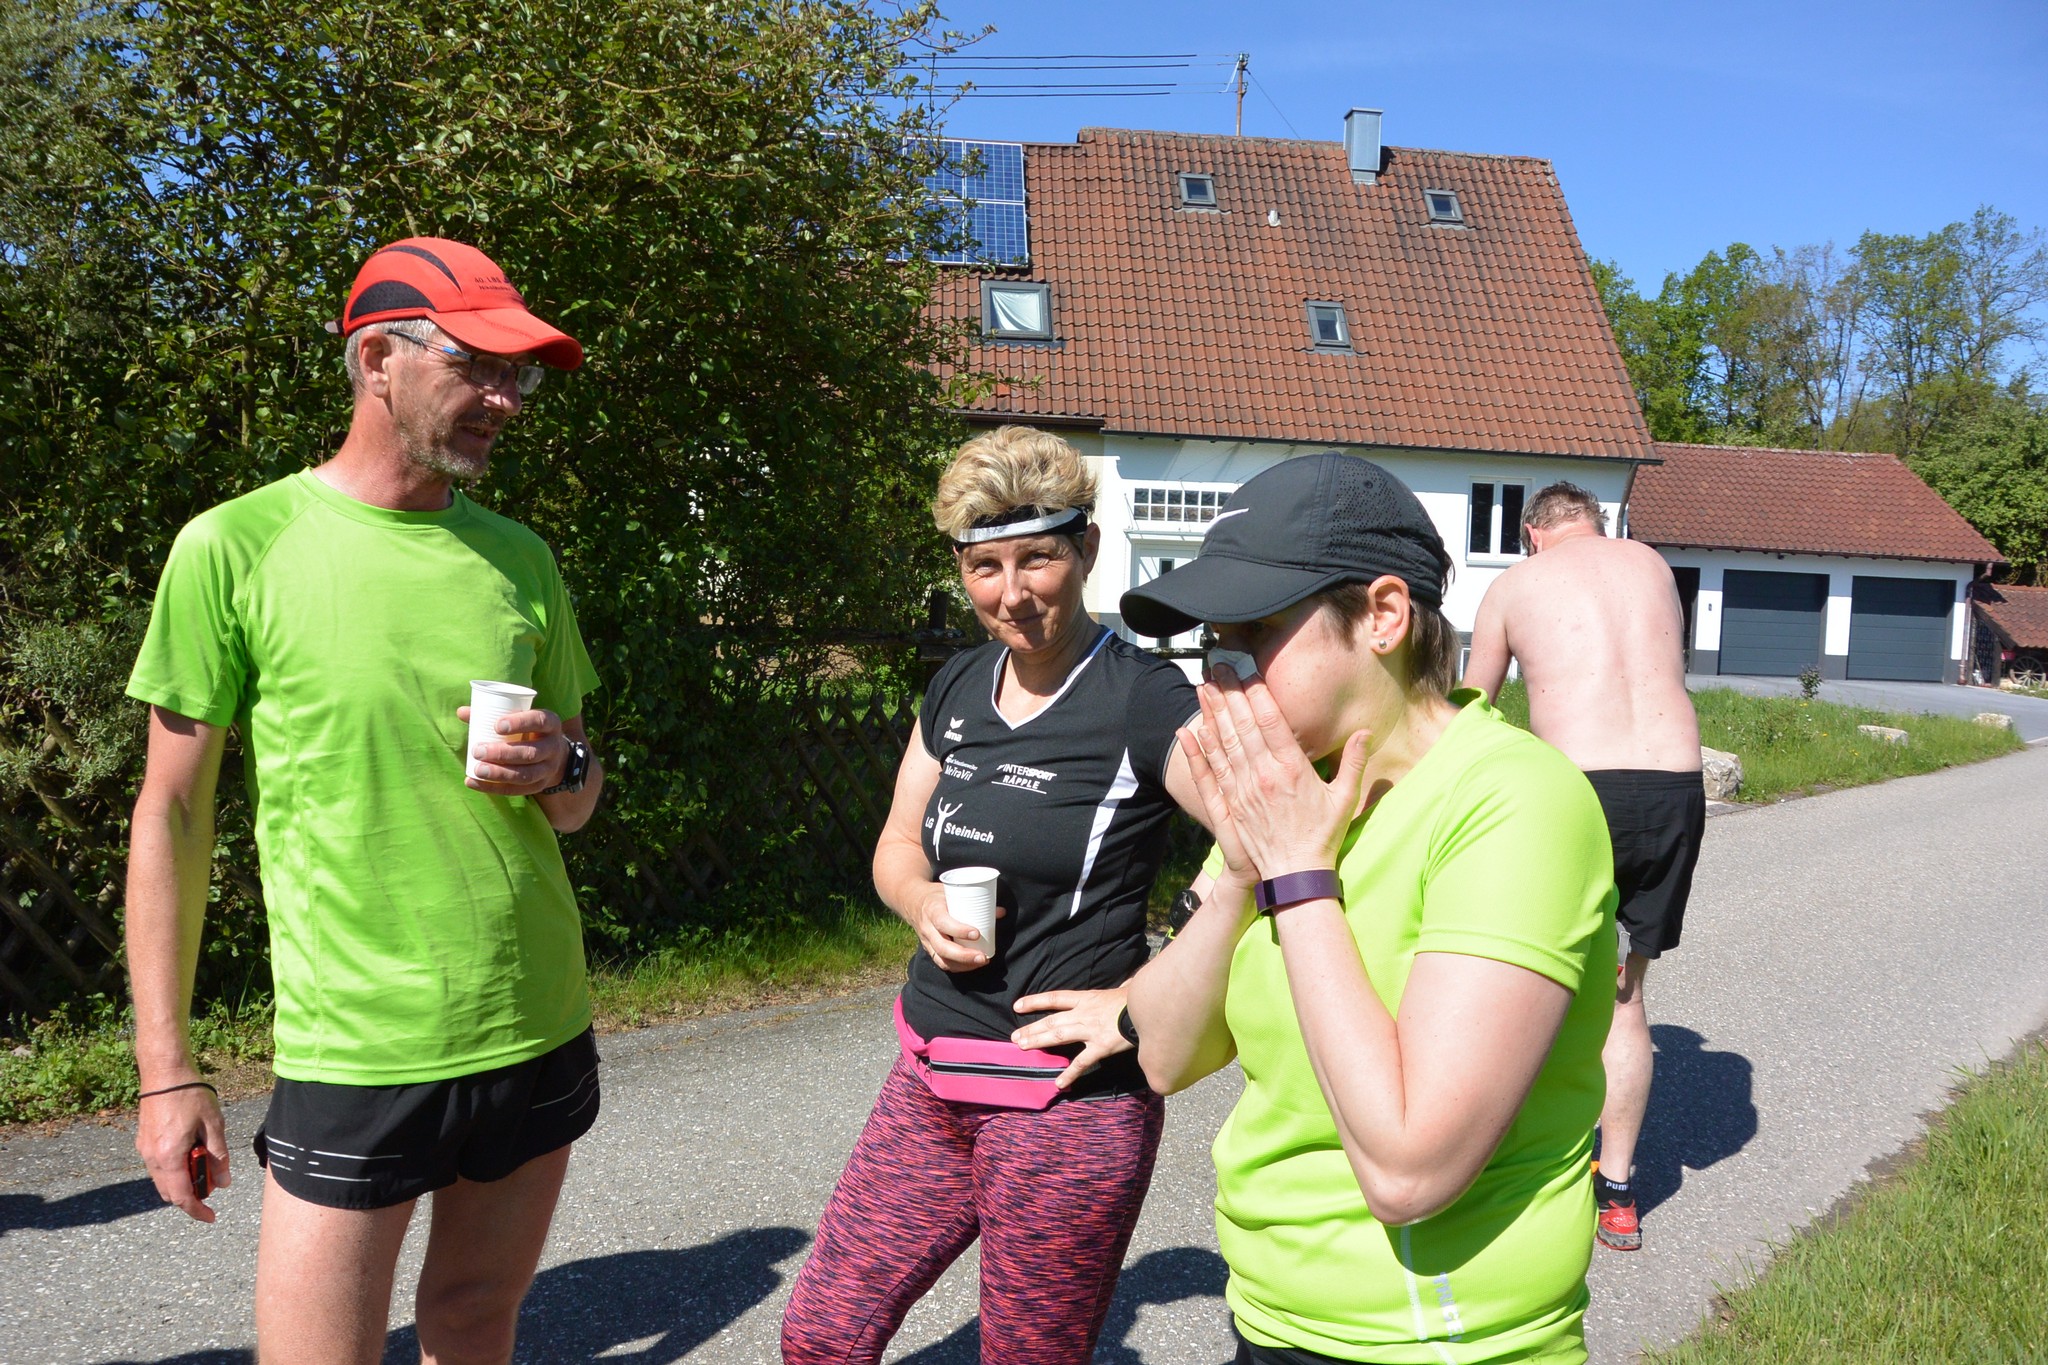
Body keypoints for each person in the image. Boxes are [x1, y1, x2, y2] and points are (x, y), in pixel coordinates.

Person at [125, 237, 604, 1365]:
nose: (505, 400)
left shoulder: (519, 558)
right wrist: (166, 1070)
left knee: (476, 1321)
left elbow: (580, 794)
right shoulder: (235, 546)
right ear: (379, 357)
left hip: (535, 1015)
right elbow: (172, 817)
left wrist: (562, 769)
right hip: (355, 1044)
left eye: (518, 376)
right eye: (477, 366)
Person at [1123, 453, 1617, 1365]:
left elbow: (1409, 1168)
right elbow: (1162, 1053)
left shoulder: (1514, 800)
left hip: (1437, 1342)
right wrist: (1240, 875)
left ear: (1384, 615)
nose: (1224, 683)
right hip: (1271, 1317)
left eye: (1257, 635)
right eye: (1215, 648)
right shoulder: (1293, 794)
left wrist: (1299, 876)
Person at [781, 425, 1205, 1365]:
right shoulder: (959, 684)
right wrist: (921, 903)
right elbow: (898, 844)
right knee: (821, 1334)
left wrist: (1145, 997)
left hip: (1066, 1109)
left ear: (1087, 548)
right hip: (931, 1077)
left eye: (1037, 558)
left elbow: (1262, 848)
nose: (1011, 592)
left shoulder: (1144, 696)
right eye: (985, 567)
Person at [1462, 480, 1704, 1253]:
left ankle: (1509, 1164)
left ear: (1532, 532)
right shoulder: (1653, 565)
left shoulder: (1516, 582)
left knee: (1527, 981)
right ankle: (1619, 1193)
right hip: (1675, 787)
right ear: (1598, 524)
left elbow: (1470, 709)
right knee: (1624, 999)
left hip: (1581, 789)